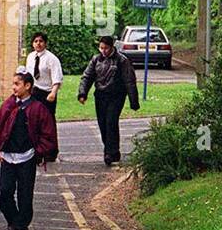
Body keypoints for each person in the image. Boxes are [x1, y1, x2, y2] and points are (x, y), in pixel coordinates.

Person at [0, 71, 58, 230]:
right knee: (4, 191)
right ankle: (13, 219)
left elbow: (48, 134)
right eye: (13, 84)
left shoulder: (38, 108)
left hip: (27, 157)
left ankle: (22, 228)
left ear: (27, 86)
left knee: (25, 195)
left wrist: (39, 151)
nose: (14, 87)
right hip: (8, 157)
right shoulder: (8, 105)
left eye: (17, 84)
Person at [77, 35, 139, 166]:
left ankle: (109, 153)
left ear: (112, 47)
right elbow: (87, 77)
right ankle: (113, 151)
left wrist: (134, 101)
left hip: (116, 96)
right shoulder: (96, 59)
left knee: (111, 122)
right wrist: (82, 93)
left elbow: (129, 81)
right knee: (103, 124)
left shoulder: (122, 60)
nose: (103, 51)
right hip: (100, 95)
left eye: (106, 48)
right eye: (101, 48)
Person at [25, 31, 64, 118]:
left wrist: (53, 93)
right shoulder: (30, 57)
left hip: (46, 93)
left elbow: (57, 78)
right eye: (36, 41)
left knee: (47, 119)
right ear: (32, 44)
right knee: (33, 118)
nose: (38, 43)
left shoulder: (52, 59)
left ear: (45, 43)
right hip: (33, 92)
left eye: (41, 41)